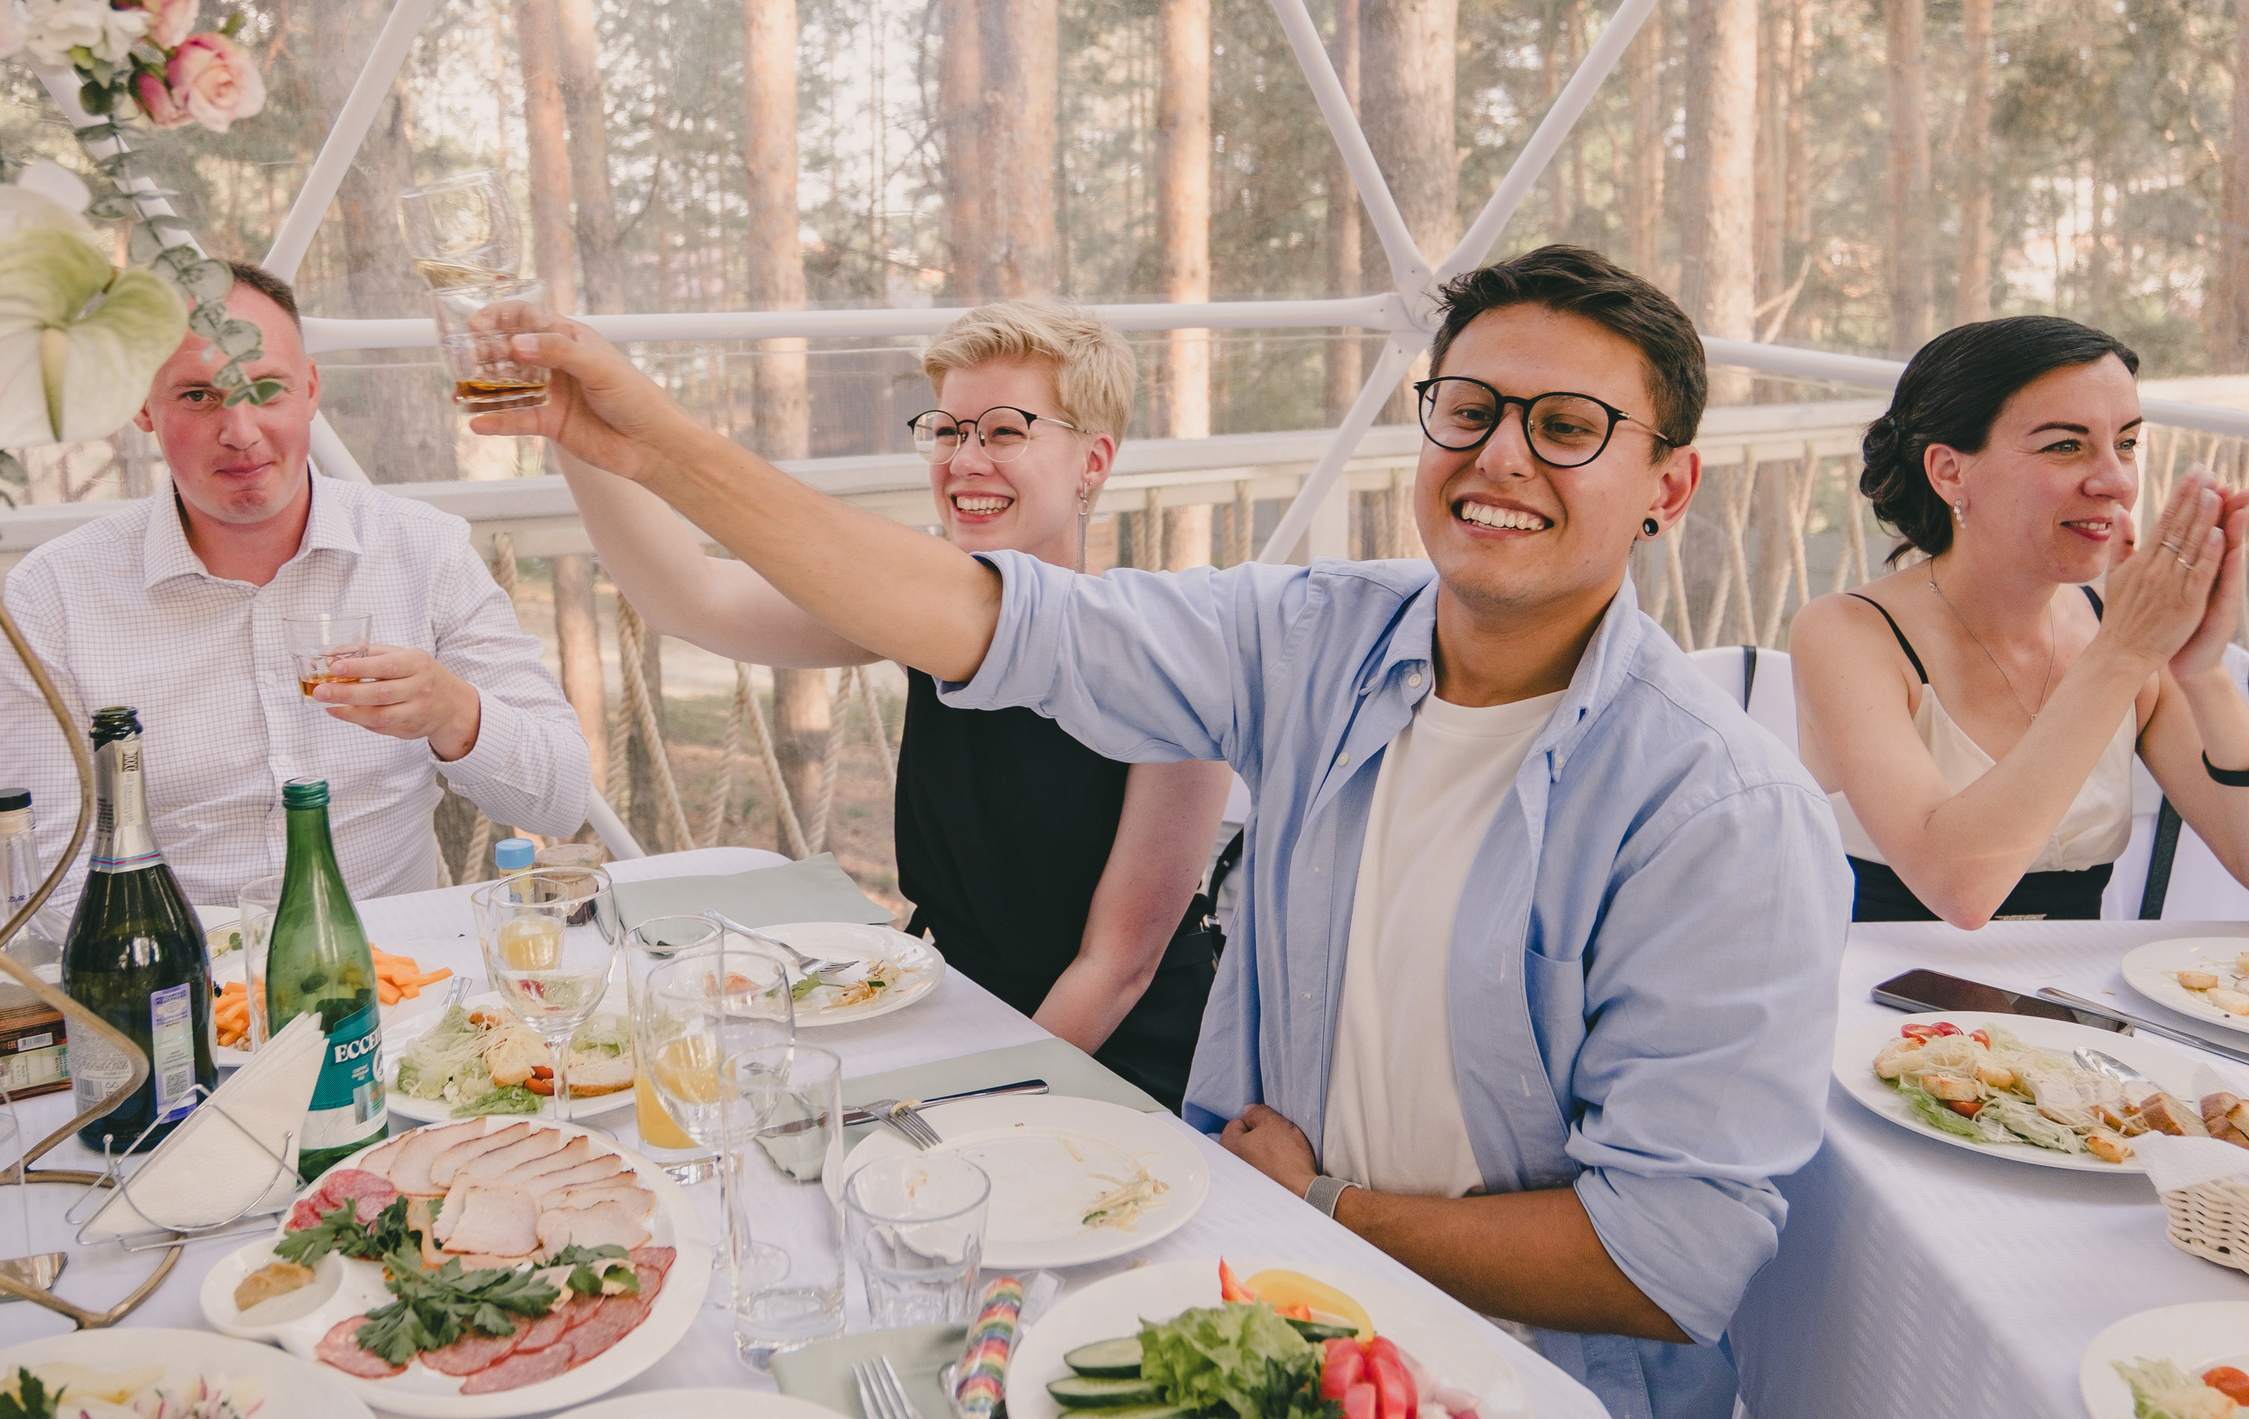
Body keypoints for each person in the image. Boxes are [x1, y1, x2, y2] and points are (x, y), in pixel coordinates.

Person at [470, 245, 1848, 1419]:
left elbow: (1671, 1257)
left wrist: (1329, 1203)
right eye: (1469, 407)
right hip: (1250, 1293)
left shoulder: (1720, 812)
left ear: (1669, 486)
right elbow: (993, 615)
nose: (1499, 455)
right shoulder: (1315, 636)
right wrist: (643, 440)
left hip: (1505, 1363)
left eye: (1568, 426)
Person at [562, 301, 1231, 1108]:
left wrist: (958, 1104)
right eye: (947, 431)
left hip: (1112, 1060)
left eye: (1005, 431)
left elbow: (1115, 969)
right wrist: (571, 430)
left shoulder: (1170, 658)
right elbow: (691, 598)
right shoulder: (923, 623)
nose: (964, 460)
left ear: (1093, 461)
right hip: (947, 1008)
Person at [0, 263, 591, 907]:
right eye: (198, 396)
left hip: (397, 981)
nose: (241, 433)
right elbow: (35, 872)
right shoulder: (55, 594)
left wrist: (453, 711)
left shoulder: (422, 550)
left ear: (311, 390)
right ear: (141, 406)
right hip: (180, 988)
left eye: (266, 389)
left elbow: (560, 798)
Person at [1791, 316, 2249, 925]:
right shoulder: (1846, 633)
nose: (2115, 481)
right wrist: (2123, 653)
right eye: (2066, 445)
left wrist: (2204, 671)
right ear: (1949, 470)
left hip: (2079, 1006)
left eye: (2128, 443)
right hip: (1885, 1003)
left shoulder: (2127, 636)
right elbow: (1960, 890)